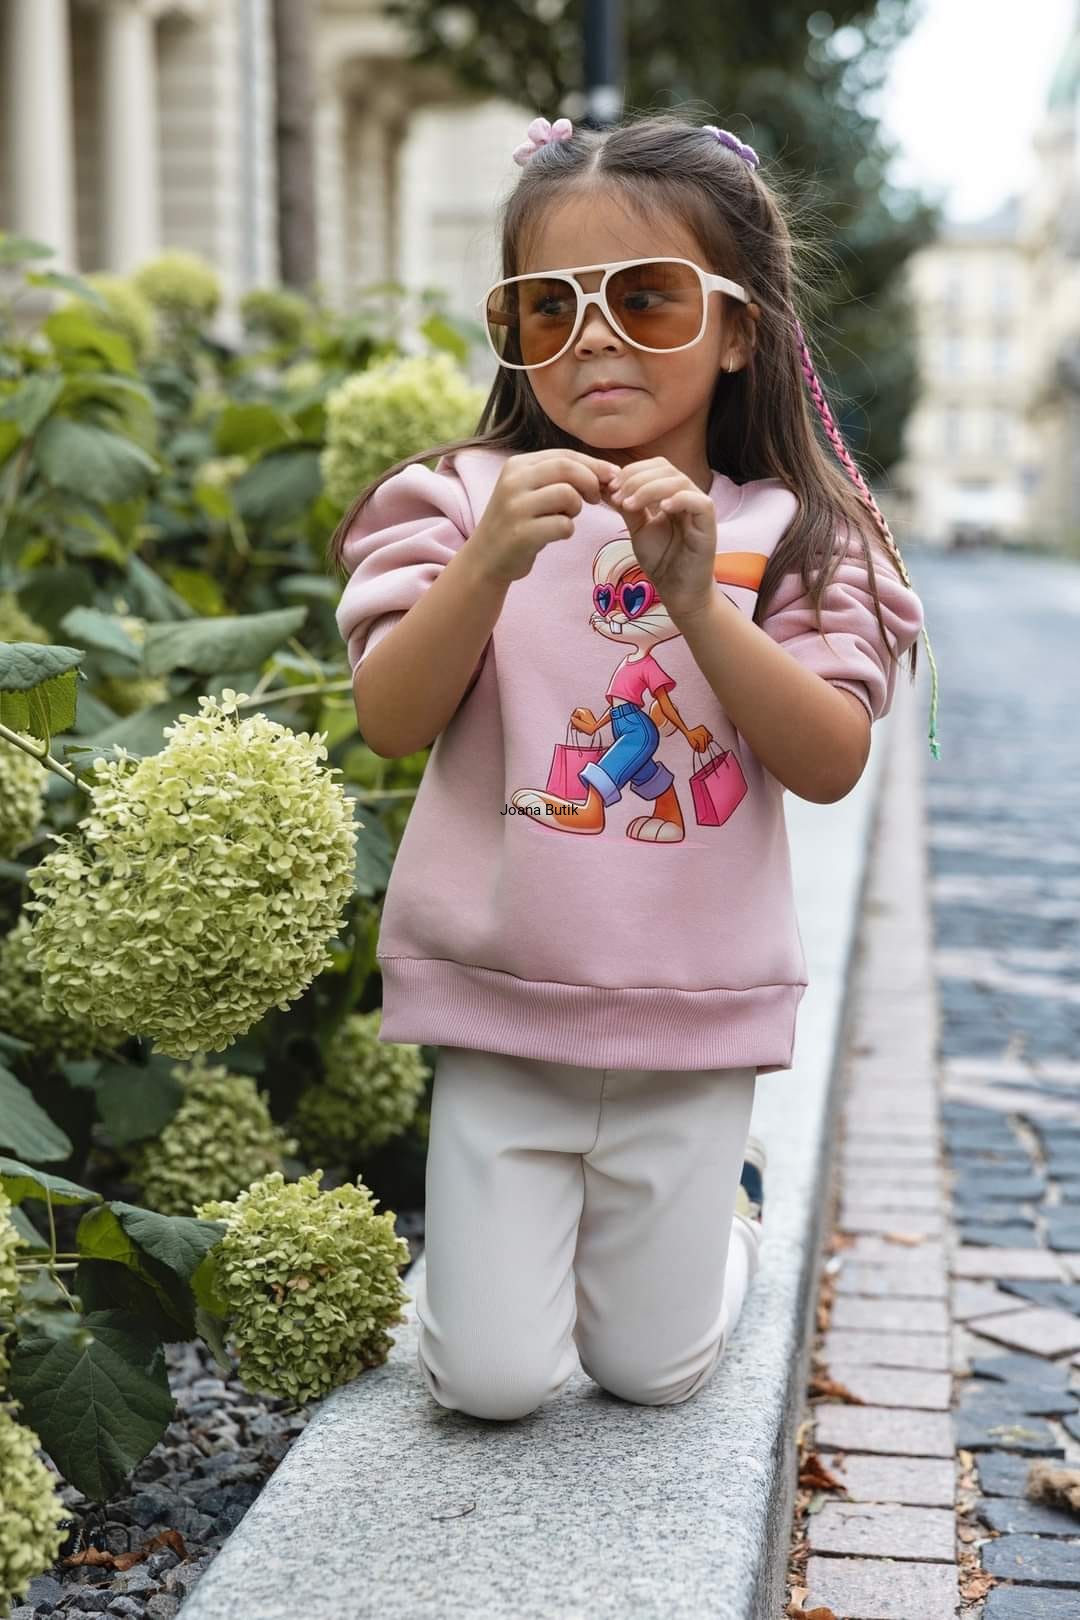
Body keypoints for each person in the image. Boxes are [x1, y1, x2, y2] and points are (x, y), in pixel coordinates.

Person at [330, 111, 936, 1423]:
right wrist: (489, 565)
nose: (594, 336)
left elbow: (829, 760)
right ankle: (546, 1268)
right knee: (487, 1382)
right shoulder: (458, 502)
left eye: (646, 297)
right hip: (504, 1011)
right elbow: (390, 717)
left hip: (692, 1023)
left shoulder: (793, 533)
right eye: (548, 306)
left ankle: (732, 1216)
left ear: (738, 330)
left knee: (651, 1375)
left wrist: (701, 603)